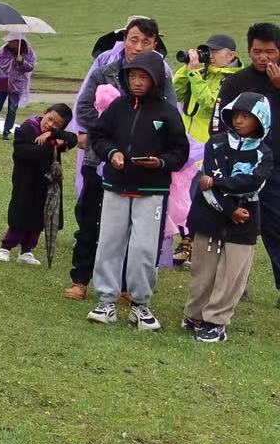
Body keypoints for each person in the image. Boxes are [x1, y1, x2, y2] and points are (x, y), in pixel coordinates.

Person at [65, 18, 172, 301]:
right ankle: (80, 280)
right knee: (90, 221)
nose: (138, 47)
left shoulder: (162, 76)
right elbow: (84, 109)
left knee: (132, 227)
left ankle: (125, 286)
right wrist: (117, 130)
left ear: (155, 44)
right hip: (98, 158)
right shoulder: (104, 70)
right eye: (133, 40)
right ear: (125, 38)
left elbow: (170, 115)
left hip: (140, 165)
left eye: (146, 42)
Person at [85, 53, 190, 331]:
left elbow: (180, 151)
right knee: (109, 243)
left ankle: (140, 305)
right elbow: (97, 135)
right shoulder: (118, 107)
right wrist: (112, 153)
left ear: (155, 79)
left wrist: (161, 163)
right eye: (132, 76)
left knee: (143, 248)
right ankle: (106, 302)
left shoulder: (167, 112)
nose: (137, 82)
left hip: (152, 189)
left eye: (143, 77)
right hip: (116, 186)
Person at [185, 93, 272, 341]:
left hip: (245, 217)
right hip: (211, 211)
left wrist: (219, 182)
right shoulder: (216, 143)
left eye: (246, 116)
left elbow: (253, 183)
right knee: (203, 268)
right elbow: (206, 183)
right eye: (236, 115)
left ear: (261, 121)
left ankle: (216, 321)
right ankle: (194, 313)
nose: (239, 121)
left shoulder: (263, 153)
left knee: (233, 272)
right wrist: (228, 208)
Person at [215, 22, 280, 294]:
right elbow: (219, 125)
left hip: (276, 168)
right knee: (234, 225)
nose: (263, 58)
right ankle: (234, 288)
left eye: (270, 52)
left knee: (276, 228)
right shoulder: (235, 82)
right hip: (240, 167)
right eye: (256, 51)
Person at [0, 102, 73, 265]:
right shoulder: (27, 128)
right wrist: (52, 143)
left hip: (46, 184)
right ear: (45, 112)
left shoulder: (54, 135)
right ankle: (6, 247)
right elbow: (24, 153)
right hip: (25, 181)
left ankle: (27, 251)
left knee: (41, 217)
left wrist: (51, 135)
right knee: (21, 213)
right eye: (50, 119)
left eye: (57, 125)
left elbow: (73, 139)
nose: (50, 125)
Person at [174, 34, 242, 142]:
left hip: (208, 141)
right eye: (208, 51)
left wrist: (193, 75)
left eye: (215, 51)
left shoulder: (234, 80)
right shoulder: (202, 74)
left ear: (231, 55)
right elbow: (176, 93)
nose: (210, 55)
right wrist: (187, 67)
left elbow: (210, 104)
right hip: (187, 138)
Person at [0, 36, 36, 139]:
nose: (8, 43)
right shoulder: (3, 49)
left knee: (12, 109)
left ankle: (6, 132)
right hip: (2, 83)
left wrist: (22, 61)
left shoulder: (28, 52)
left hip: (17, 86)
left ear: (18, 42)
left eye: (11, 41)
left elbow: (31, 67)